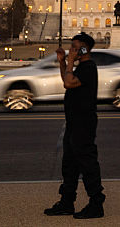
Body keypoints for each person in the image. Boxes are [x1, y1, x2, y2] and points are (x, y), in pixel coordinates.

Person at [45, 33, 105, 219]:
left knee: (87, 163)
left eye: (74, 47)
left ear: (84, 49)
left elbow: (70, 83)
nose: (71, 50)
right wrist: (63, 62)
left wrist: (70, 61)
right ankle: (66, 202)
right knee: (69, 164)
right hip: (74, 121)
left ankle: (96, 203)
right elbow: (66, 81)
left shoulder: (88, 68)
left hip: (83, 122)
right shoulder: (80, 67)